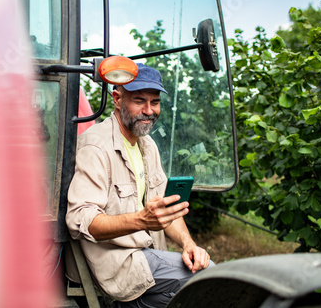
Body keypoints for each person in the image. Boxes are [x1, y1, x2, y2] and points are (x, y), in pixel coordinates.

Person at [66, 63, 213, 307]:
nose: (149, 110)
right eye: (139, 101)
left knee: (192, 285)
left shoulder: (148, 145)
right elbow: (81, 219)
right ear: (117, 98)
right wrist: (141, 221)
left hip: (147, 254)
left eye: (154, 102)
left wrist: (189, 244)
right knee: (206, 279)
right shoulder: (95, 146)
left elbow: (168, 210)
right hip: (116, 265)